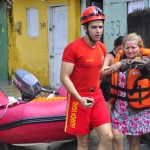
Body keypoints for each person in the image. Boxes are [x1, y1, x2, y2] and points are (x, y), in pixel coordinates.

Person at [60, 6, 113, 150]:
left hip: (97, 96)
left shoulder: (102, 47)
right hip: (78, 98)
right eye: (94, 27)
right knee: (83, 143)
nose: (98, 31)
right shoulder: (73, 48)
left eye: (100, 27)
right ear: (85, 28)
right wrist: (79, 98)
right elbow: (64, 77)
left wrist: (107, 71)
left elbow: (97, 71)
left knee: (108, 136)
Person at [108, 33, 150, 150]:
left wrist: (121, 64)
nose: (130, 50)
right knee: (116, 137)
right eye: (127, 48)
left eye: (133, 47)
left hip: (137, 109)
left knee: (134, 142)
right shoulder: (118, 59)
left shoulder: (145, 60)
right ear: (122, 48)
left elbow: (142, 64)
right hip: (119, 107)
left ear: (140, 47)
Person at [100, 36, 124, 101]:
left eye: (123, 50)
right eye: (119, 49)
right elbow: (102, 70)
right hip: (108, 87)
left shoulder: (126, 55)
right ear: (115, 46)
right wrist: (115, 67)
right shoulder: (110, 56)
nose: (121, 52)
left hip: (120, 87)